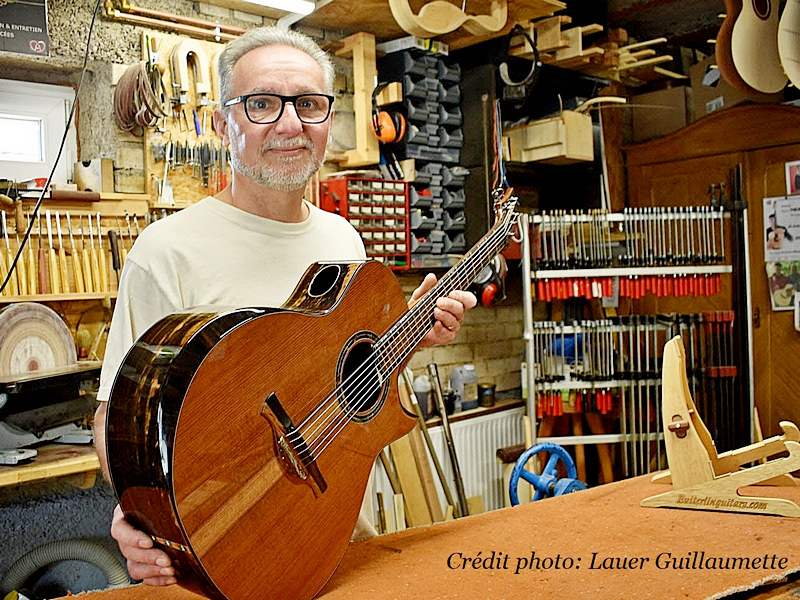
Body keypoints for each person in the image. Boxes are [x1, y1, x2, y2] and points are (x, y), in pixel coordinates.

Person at [92, 26, 476, 587]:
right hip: (224, 559)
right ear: (224, 123)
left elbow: (344, 388)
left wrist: (411, 336)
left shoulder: (344, 241)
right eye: (263, 104)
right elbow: (116, 416)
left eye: (309, 104)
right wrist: (132, 508)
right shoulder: (167, 252)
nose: (291, 124)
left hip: (341, 545)